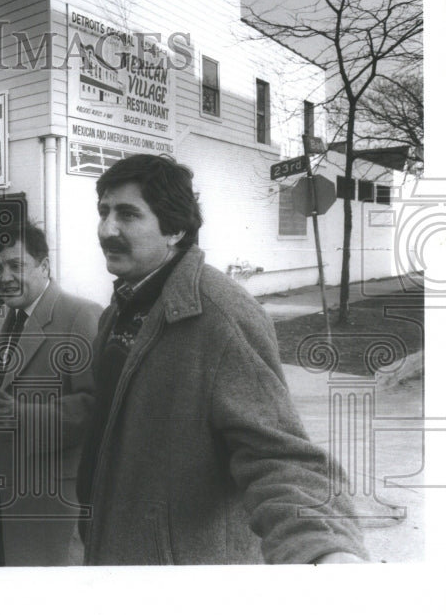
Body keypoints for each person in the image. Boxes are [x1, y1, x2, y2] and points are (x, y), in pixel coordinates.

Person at [77, 153, 368, 564]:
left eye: (127, 214)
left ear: (175, 228)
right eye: (104, 212)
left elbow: (277, 454)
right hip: (113, 549)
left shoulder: (220, 315)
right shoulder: (122, 307)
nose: (107, 229)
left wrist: (323, 548)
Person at [0, 223, 101, 566]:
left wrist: (23, 415)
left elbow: (95, 407)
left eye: (16, 266)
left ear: (45, 266)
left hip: (47, 497)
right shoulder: (10, 315)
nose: (4, 277)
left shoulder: (81, 315)